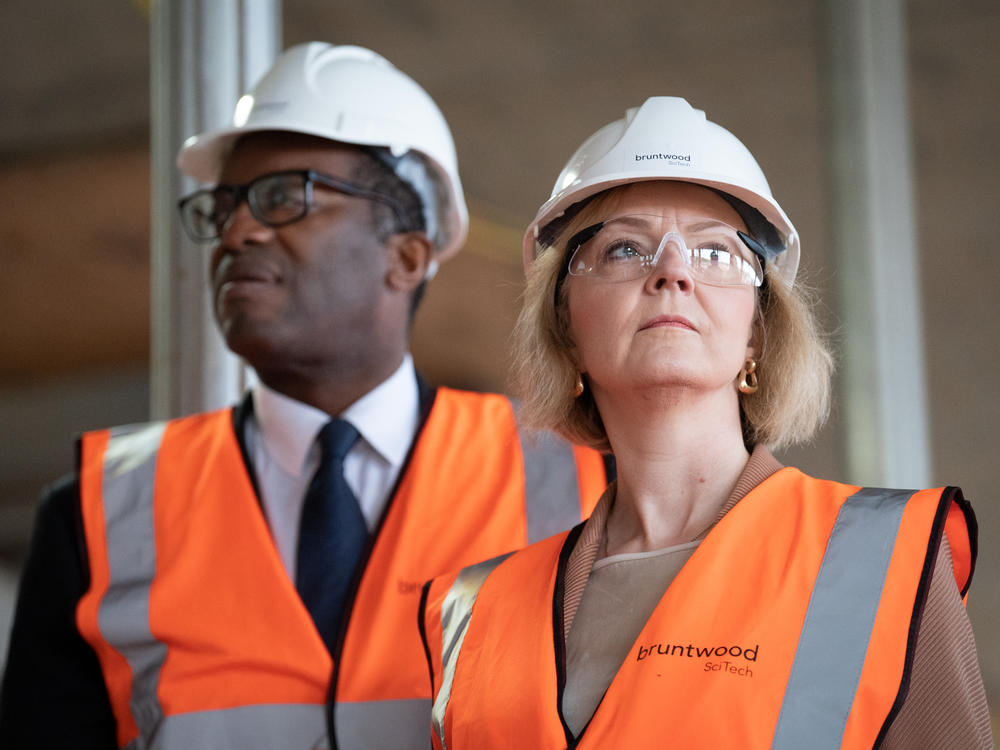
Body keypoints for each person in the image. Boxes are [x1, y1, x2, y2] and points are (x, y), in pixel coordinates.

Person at [0, 43, 609, 750]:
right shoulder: (96, 514)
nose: (237, 231)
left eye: (285, 197)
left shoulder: (582, 478)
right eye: (222, 207)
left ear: (406, 255)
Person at [420, 97, 991, 749]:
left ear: (756, 333)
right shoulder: (476, 609)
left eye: (716, 253)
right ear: (566, 326)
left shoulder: (887, 560)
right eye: (625, 248)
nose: (672, 272)